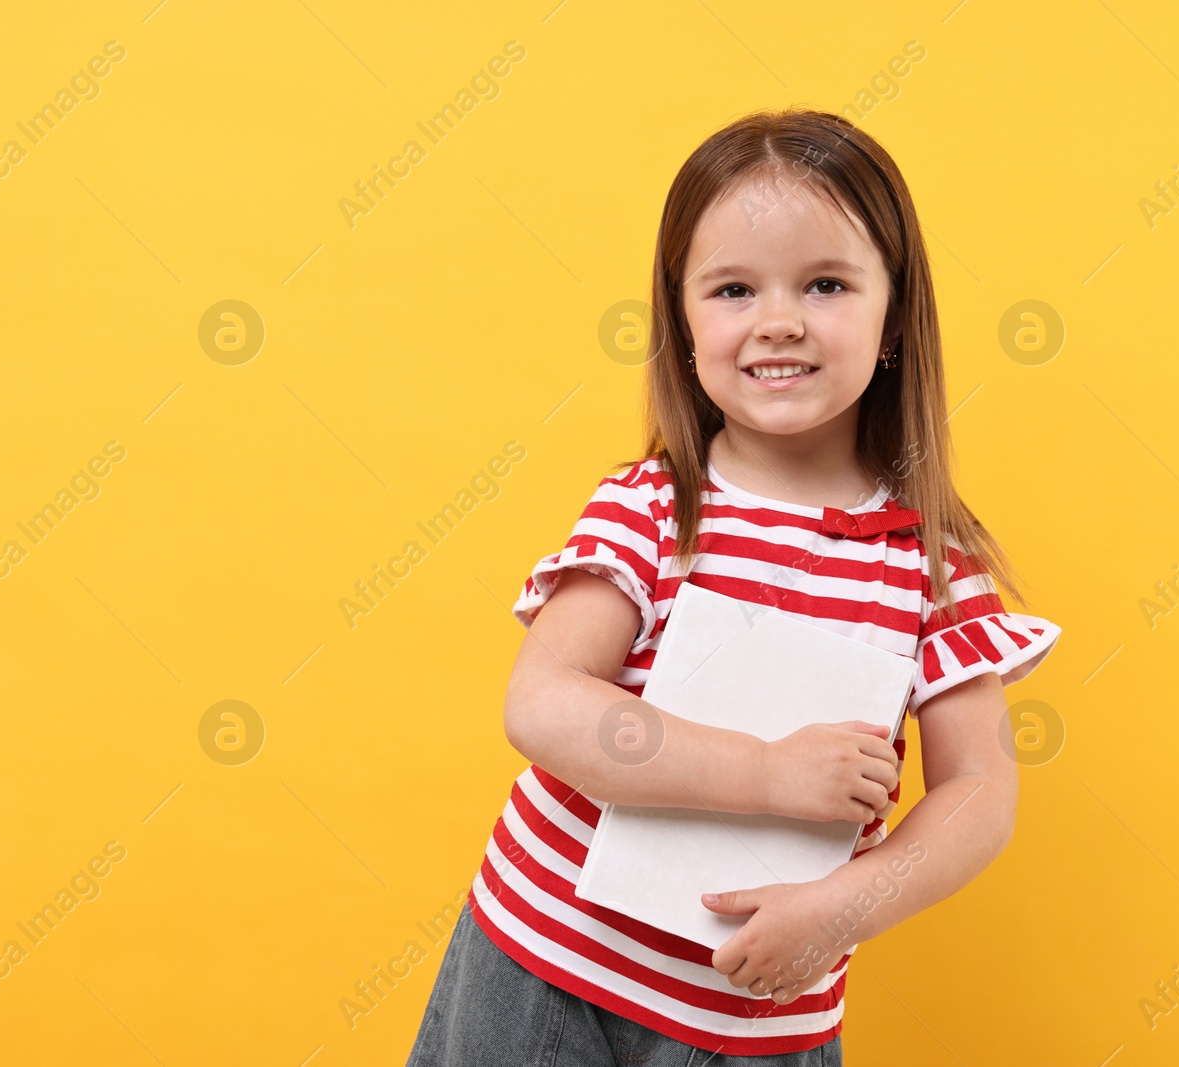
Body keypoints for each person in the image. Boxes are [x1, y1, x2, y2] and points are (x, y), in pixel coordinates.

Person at [403, 106, 1062, 1066]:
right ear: (682, 317)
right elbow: (542, 705)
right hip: (543, 964)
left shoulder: (931, 565)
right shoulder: (654, 508)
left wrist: (841, 909)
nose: (778, 321)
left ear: (894, 316)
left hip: (752, 1022)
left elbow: (981, 792)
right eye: (733, 289)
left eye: (827, 283)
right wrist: (767, 775)